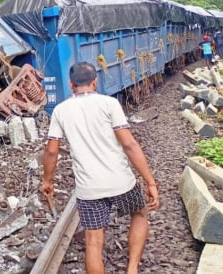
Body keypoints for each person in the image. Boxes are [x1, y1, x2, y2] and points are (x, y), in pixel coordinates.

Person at [41, 62, 159, 274]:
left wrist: (47, 180)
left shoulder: (60, 110)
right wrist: (150, 181)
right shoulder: (109, 103)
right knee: (140, 214)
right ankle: (132, 268)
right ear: (95, 82)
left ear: (71, 85)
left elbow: (51, 151)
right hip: (122, 181)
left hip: (89, 189)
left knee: (93, 241)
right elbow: (129, 144)